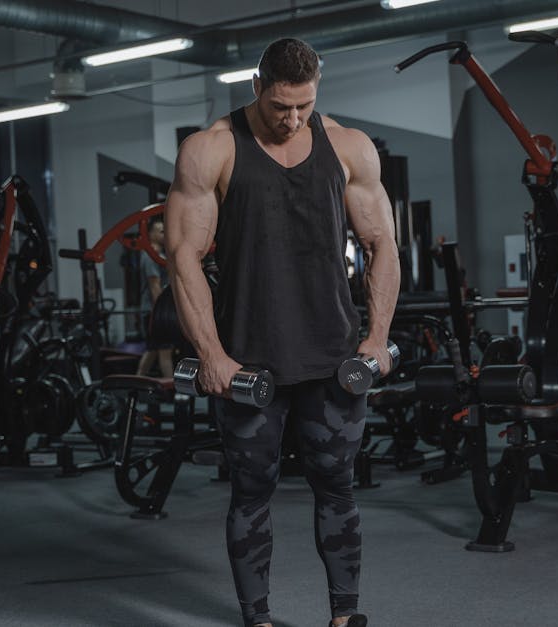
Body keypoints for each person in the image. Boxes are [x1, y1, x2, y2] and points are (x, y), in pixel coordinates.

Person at [165, 38, 399, 627]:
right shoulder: (209, 150)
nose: (291, 119)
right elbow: (183, 256)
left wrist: (377, 338)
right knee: (251, 492)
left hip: (333, 356)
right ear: (255, 87)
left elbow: (381, 244)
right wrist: (211, 353)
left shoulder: (349, 146)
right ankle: (258, 620)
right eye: (279, 107)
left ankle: (345, 616)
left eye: (303, 106)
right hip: (248, 362)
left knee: (338, 488)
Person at [135, 217, 174, 378]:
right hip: (154, 312)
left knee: (152, 351)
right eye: (161, 231)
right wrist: (162, 314)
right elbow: (154, 285)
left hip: (155, 310)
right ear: (150, 234)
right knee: (164, 351)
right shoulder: (150, 256)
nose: (165, 234)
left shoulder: (161, 255)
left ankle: (137, 384)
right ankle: (174, 390)